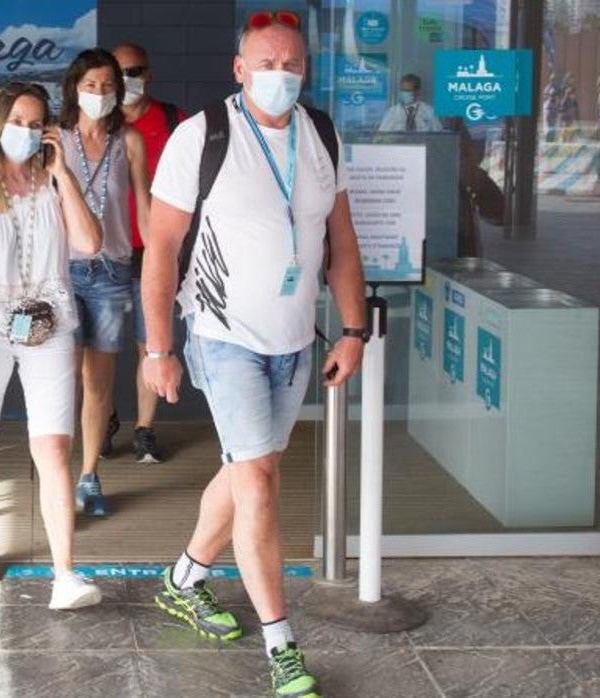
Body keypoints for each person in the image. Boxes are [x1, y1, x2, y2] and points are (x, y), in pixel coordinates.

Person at [141, 11, 367, 698]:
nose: (280, 75)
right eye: (265, 63)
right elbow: (163, 248)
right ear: (238, 70)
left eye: (291, 64)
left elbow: (343, 244)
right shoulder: (201, 137)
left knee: (247, 471)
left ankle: (183, 579)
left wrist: (353, 331)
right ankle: (282, 647)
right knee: (260, 485)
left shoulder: (322, 134)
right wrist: (159, 347)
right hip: (221, 334)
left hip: (295, 341)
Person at [0, 81, 104, 609]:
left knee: (53, 445)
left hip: (48, 323)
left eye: (36, 124)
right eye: (18, 122)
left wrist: (64, 175)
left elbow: (90, 243)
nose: (27, 133)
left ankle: (66, 574)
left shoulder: (52, 183)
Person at [58, 49, 151, 517]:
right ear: (75, 88)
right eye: (90, 86)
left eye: (107, 86)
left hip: (112, 273)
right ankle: (57, 471)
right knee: (63, 376)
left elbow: (144, 209)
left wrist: (160, 264)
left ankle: (89, 475)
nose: (99, 94)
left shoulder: (128, 141)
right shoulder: (53, 140)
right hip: (62, 272)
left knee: (97, 384)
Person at [112, 41, 186, 464]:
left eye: (135, 71)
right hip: (103, 251)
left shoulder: (177, 122)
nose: (127, 81)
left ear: (149, 74)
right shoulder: (95, 125)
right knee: (98, 349)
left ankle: (144, 428)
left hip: (155, 250)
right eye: (119, 72)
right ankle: (104, 419)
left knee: (149, 342)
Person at [377, 73, 443, 133]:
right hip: (399, 145)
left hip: (422, 145)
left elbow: (439, 135)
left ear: (417, 91)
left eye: (408, 91)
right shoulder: (393, 112)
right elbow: (382, 135)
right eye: (402, 90)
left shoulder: (429, 111)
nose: (404, 93)